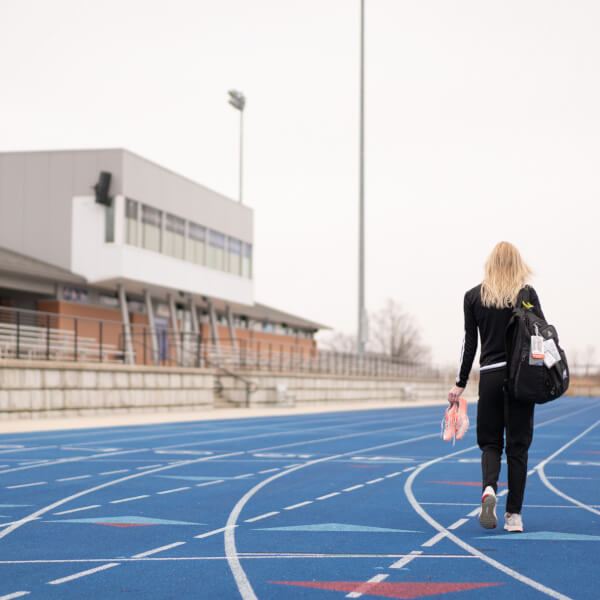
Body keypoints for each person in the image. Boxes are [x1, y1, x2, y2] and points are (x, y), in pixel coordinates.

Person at [447, 241, 545, 533]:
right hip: (519, 379)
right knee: (518, 447)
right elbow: (540, 335)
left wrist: (460, 383)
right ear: (518, 264)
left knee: (490, 443)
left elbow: (470, 344)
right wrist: (539, 375)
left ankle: (489, 488)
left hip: (488, 378)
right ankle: (513, 515)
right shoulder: (525, 295)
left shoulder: (473, 297)